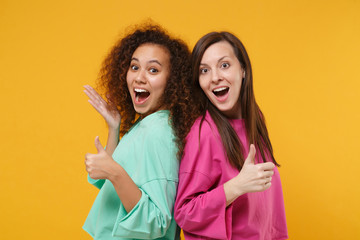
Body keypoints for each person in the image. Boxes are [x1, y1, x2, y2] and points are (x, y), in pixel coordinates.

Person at [82, 24, 197, 239]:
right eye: (134, 67)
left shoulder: (158, 132)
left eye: (153, 70)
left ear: (172, 81)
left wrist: (114, 172)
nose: (139, 78)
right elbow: (113, 187)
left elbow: (158, 221)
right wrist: (114, 128)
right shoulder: (148, 124)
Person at [174, 32, 288, 239]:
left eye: (224, 65)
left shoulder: (255, 119)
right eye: (204, 70)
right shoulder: (204, 132)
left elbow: (269, 211)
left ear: (243, 69)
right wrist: (235, 187)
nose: (215, 77)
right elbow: (185, 213)